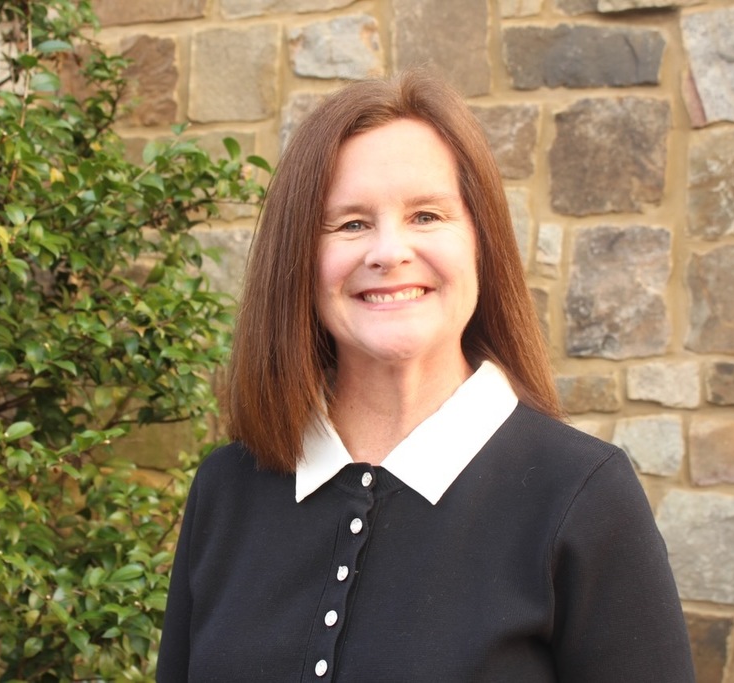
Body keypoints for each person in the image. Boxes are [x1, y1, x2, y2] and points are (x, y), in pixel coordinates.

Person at [157, 70, 695, 682]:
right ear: (299, 260)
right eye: (351, 223)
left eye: (427, 215)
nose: (389, 252)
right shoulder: (228, 490)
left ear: (480, 244)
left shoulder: (582, 496)